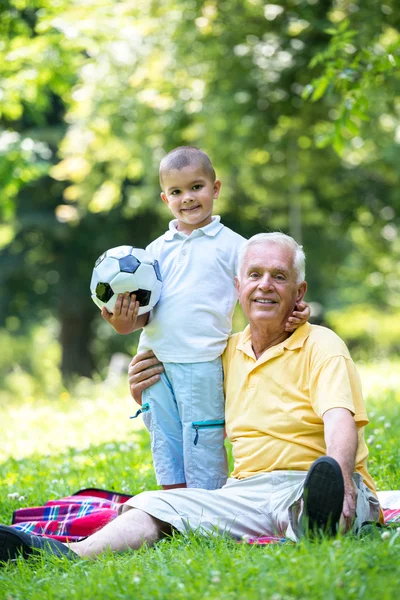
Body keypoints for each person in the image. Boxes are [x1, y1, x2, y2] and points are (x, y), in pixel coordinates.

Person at [0, 232, 381, 562]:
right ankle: (65, 554)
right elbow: (194, 407)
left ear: (299, 293)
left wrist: (343, 479)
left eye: (279, 277)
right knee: (155, 503)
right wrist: (144, 393)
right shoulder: (222, 353)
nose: (265, 285)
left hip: (312, 481)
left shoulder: (321, 344)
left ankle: (321, 515)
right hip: (246, 491)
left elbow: (339, 420)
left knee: (316, 499)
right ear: (238, 288)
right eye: (255, 275)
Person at [100, 147, 309, 491]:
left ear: (215, 188)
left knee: (203, 440)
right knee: (165, 440)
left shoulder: (236, 248)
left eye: (196, 187)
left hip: (202, 363)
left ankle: (207, 508)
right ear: (164, 198)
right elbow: (146, 312)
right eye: (177, 192)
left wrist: (296, 309)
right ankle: (174, 507)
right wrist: (124, 323)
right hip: (154, 361)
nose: (187, 198)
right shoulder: (153, 252)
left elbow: (262, 289)